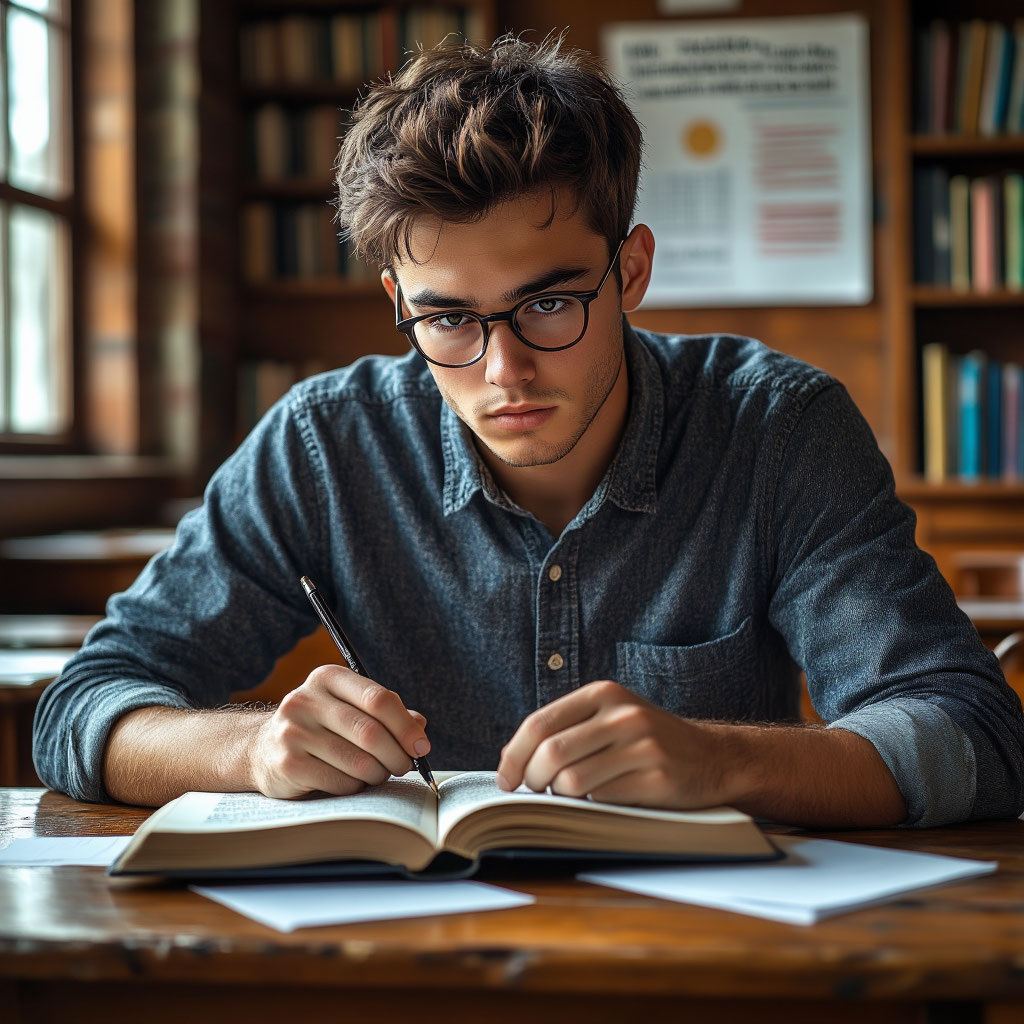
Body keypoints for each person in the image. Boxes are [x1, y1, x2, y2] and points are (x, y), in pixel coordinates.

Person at [34, 34, 1023, 827]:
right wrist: (246, 752)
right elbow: (84, 707)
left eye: (548, 305)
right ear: (398, 300)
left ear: (629, 270)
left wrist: (716, 759)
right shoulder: (327, 442)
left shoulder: (777, 429)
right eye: (448, 318)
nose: (503, 369)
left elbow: (975, 735)